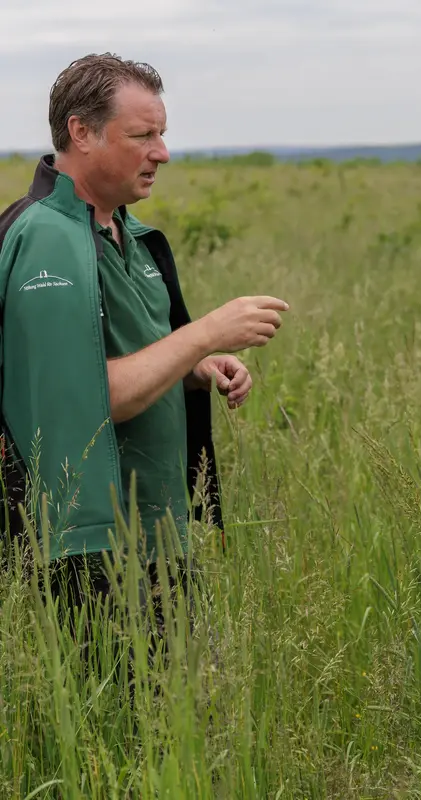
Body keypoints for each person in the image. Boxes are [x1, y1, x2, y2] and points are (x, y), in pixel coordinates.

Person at [0, 54, 288, 647]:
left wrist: (195, 368)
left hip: (157, 532)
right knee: (122, 728)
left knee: (178, 721)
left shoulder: (126, 234)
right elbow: (91, 398)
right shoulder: (48, 242)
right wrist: (204, 333)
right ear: (81, 132)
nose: (162, 152)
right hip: (88, 546)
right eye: (143, 135)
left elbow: (131, 357)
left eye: (163, 134)